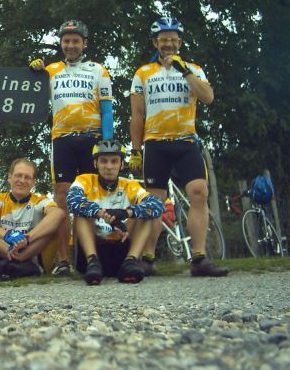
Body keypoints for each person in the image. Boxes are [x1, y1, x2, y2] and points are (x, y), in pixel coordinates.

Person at [129, 17, 228, 277]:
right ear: (155, 42)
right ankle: (148, 258)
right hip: (156, 143)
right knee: (154, 202)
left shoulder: (193, 68)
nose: (169, 44)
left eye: (173, 39)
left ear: (180, 42)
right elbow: (137, 114)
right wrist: (136, 150)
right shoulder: (143, 73)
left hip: (186, 141)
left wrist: (185, 71)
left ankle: (199, 257)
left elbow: (208, 98)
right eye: (164, 40)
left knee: (199, 192)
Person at [30, 20, 114, 275]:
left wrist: (106, 144)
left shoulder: (98, 70)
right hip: (63, 138)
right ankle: (64, 260)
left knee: (94, 195)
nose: (71, 45)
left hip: (92, 139)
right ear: (61, 43)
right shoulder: (51, 70)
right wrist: (33, 71)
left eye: (76, 40)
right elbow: (30, 94)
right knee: (62, 196)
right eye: (66, 40)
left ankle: (96, 255)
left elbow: (107, 108)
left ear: (84, 43)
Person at [67, 140, 164, 285]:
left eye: (114, 161)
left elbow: (157, 206)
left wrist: (127, 213)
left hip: (122, 247)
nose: (109, 166)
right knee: (80, 213)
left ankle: (131, 261)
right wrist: (102, 214)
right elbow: (72, 200)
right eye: (103, 161)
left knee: (148, 213)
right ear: (95, 164)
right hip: (93, 251)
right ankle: (92, 261)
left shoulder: (130, 185)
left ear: (121, 165)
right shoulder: (84, 180)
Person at [0, 158, 66, 283]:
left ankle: (18, 263)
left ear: (33, 182)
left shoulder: (40, 200)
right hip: (4, 249)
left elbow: (58, 213)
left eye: (27, 177)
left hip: (31, 250)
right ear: (9, 177)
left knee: (57, 223)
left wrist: (27, 238)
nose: (22, 180)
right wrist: (6, 235)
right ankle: (15, 263)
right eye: (18, 176)